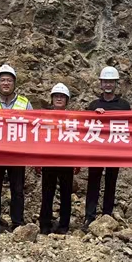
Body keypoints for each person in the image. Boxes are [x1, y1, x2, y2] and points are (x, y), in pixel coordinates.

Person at [84, 66, 132, 229]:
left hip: (114, 151)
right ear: (101, 83)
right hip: (96, 151)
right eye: (105, 81)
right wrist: (93, 114)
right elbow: (86, 126)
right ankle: (89, 216)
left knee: (111, 182)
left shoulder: (124, 106)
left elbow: (131, 126)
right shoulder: (94, 105)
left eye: (111, 82)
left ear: (116, 84)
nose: (108, 84)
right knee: (93, 183)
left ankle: (107, 215)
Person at [0, 64, 31, 232]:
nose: (6, 83)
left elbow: (32, 127)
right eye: (2, 80)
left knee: (17, 190)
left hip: (16, 153)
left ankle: (17, 223)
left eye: (9, 80)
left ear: (14, 83)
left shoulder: (25, 103)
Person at [39, 83, 77, 234]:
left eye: (62, 97)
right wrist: (37, 159)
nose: (59, 99)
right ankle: (45, 224)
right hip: (48, 160)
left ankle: (63, 225)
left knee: (66, 194)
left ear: (67, 100)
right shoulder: (45, 118)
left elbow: (77, 141)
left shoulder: (73, 118)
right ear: (52, 99)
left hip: (67, 161)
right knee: (47, 193)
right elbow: (39, 139)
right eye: (56, 96)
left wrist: (77, 161)